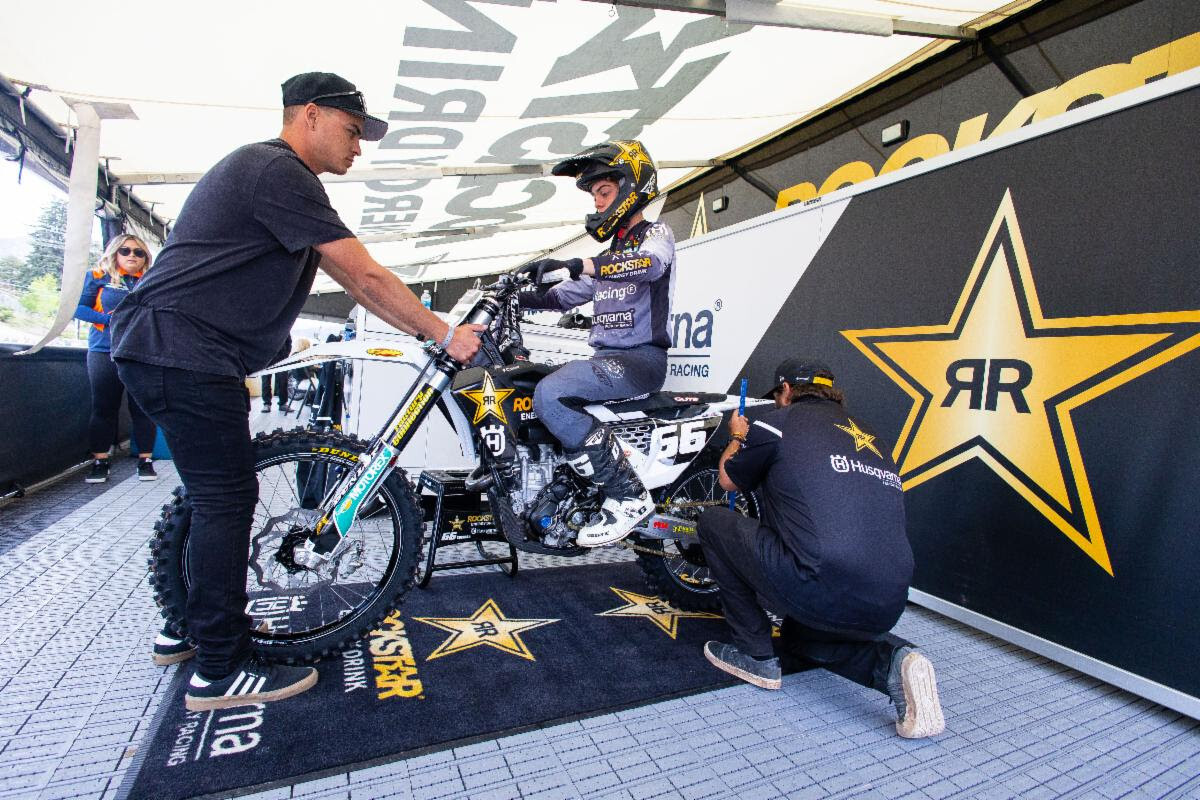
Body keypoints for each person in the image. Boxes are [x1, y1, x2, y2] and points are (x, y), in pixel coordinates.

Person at [110, 72, 483, 711]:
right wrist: (444, 332)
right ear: (309, 115)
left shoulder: (268, 177)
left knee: (211, 498)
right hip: (182, 352)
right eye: (352, 130)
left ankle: (185, 628)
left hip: (172, 351)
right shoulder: (277, 171)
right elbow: (363, 277)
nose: (358, 147)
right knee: (227, 501)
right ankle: (220, 669)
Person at [699, 359, 945, 739]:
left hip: (815, 579)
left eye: (779, 396)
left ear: (785, 392)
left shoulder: (777, 423)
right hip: (889, 600)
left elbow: (730, 480)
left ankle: (755, 656)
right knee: (799, 636)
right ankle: (895, 665)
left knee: (714, 522)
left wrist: (737, 435)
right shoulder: (872, 436)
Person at [514, 140, 673, 547]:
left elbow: (649, 265)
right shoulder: (611, 252)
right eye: (595, 196)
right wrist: (514, 295)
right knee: (531, 384)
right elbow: (563, 296)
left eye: (604, 192)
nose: (599, 203)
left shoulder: (656, 234)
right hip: (609, 360)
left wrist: (578, 262)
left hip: (641, 361)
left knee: (551, 394)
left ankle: (627, 494)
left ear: (630, 188)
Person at [74, 234, 158, 483]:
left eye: (138, 252)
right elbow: (77, 308)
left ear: (145, 258)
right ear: (114, 253)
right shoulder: (98, 276)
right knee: (104, 407)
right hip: (104, 350)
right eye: (126, 251)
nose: (132, 255)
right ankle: (100, 461)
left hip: (141, 352)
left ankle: (145, 461)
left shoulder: (150, 280)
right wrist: (108, 320)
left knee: (142, 408)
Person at [259, 336, 291, 412]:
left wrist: (285, 354)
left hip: (281, 359)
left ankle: (283, 404)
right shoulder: (264, 327)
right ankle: (267, 404)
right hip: (266, 358)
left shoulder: (284, 326)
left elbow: (289, 342)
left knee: (283, 382)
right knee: (265, 382)